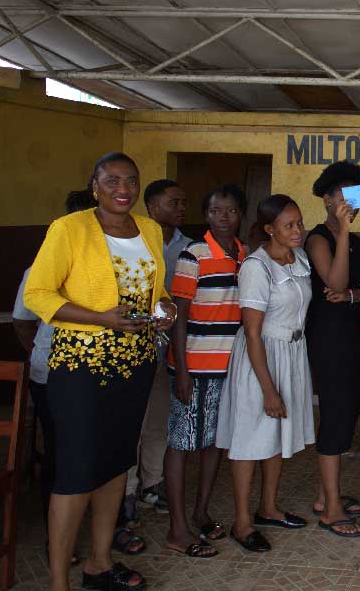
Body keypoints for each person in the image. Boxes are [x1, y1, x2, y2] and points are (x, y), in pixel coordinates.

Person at [25, 152, 174, 591]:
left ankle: (99, 563)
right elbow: (37, 293)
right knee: (76, 470)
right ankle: (58, 583)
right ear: (95, 186)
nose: (122, 188)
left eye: (130, 180)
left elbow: (155, 288)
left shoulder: (149, 229)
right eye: (111, 181)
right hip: (82, 367)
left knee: (115, 463)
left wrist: (163, 307)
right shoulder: (68, 229)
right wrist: (102, 319)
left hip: (135, 365)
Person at [216, 195, 315, 552]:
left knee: (275, 435)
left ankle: (268, 508)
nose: (298, 230)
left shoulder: (299, 258)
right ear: (269, 229)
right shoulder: (257, 267)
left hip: (290, 353)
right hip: (262, 357)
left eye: (300, 223)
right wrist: (269, 389)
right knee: (249, 439)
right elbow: (253, 332)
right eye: (289, 225)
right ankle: (241, 523)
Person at [11, 189, 96, 568]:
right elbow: (22, 320)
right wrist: (38, 352)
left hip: (98, 371)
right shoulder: (39, 271)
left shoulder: (105, 269)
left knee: (95, 451)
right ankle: (57, 538)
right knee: (61, 454)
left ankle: (99, 532)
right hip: (52, 374)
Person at [163, 184, 248, 558]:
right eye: (215, 212)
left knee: (214, 442)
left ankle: (200, 511)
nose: (223, 218)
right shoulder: (192, 255)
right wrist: (181, 369)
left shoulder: (244, 255)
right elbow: (179, 316)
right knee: (182, 443)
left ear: (240, 214)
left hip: (229, 366)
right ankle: (177, 527)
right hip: (194, 366)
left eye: (230, 211)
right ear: (207, 216)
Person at [304, 160, 360, 535]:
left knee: (345, 416)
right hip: (331, 340)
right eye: (345, 197)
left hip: (355, 337)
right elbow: (333, 280)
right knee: (334, 418)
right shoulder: (320, 238)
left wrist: (354, 296)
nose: (352, 203)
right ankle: (331, 510)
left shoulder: (358, 243)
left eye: (357, 196)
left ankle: (324, 496)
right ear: (329, 200)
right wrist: (345, 232)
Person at [133, 179, 189, 515]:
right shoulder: (135, 241)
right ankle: (125, 488)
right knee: (132, 421)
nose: (181, 208)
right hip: (136, 341)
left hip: (169, 342)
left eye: (183, 203)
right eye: (174, 203)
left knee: (158, 418)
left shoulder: (188, 246)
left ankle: (151, 483)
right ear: (152, 207)